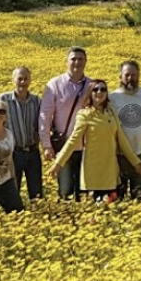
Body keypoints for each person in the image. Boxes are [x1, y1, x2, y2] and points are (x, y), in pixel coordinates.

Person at [51, 79, 141, 202]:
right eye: (95, 89)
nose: (99, 92)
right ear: (90, 93)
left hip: (110, 172)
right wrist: (58, 164)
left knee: (112, 210)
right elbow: (73, 141)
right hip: (93, 174)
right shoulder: (85, 114)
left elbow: (122, 141)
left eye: (103, 89)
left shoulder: (111, 113)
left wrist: (136, 162)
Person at [40, 47, 92, 199]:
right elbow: (45, 115)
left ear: (86, 62)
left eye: (80, 59)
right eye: (73, 59)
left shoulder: (92, 85)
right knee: (66, 190)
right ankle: (68, 220)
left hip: (88, 147)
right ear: (66, 62)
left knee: (85, 191)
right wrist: (46, 145)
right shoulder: (54, 85)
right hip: (65, 146)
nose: (77, 62)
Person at [110, 59, 141, 200]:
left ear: (139, 76)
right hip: (119, 155)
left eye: (134, 75)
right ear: (120, 76)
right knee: (119, 195)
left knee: (140, 195)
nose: (130, 78)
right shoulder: (112, 97)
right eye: (127, 75)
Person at [0, 66, 44, 201]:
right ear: (13, 80)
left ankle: (37, 217)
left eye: (25, 79)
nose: (23, 82)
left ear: (30, 80)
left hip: (33, 152)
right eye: (19, 79)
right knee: (11, 191)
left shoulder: (37, 101)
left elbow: (44, 123)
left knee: (36, 193)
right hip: (13, 153)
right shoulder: (3, 100)